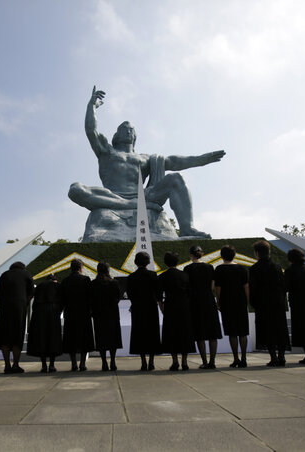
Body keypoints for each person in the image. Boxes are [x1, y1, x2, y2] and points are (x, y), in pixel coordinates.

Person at [68, 86, 226, 238]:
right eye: (124, 128)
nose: (129, 130)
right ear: (116, 136)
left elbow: (174, 162)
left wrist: (201, 160)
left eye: (131, 129)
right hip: (112, 195)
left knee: (176, 179)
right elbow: (91, 131)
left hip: (144, 196)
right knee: (75, 189)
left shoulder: (145, 158)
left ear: (135, 137)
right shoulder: (107, 152)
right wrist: (92, 106)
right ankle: (131, 205)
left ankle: (187, 228)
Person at [249, 240, 290, 367]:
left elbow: (253, 288)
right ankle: (281, 356)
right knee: (280, 329)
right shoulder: (277, 267)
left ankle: (273, 357)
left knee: (267, 330)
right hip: (277, 302)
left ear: (257, 253)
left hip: (263, 303)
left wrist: (254, 302)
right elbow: (283, 286)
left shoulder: (254, 269)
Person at [184, 245, 223, 369]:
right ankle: (212, 361)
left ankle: (204, 361)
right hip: (208, 300)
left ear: (191, 255)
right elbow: (213, 286)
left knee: (199, 333)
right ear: (202, 254)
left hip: (195, 302)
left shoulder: (187, 269)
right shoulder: (210, 267)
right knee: (212, 333)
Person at [0, 261, 35, 374]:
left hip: (4, 309)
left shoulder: (4, 275)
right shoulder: (27, 274)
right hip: (19, 309)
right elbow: (31, 292)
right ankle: (16, 364)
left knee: (5, 336)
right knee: (17, 335)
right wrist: (24, 302)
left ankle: (7, 365)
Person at [159, 252, 196, 371]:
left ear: (165, 262)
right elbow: (190, 292)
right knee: (185, 333)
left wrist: (162, 308)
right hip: (184, 306)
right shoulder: (184, 275)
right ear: (177, 262)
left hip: (170, 306)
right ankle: (184, 362)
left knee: (171, 334)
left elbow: (159, 296)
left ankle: (175, 361)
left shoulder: (162, 276)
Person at [214, 245, 250, 368]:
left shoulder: (219, 269)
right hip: (240, 302)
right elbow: (246, 286)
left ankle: (236, 358)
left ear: (222, 256)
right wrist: (247, 300)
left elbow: (218, 288)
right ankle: (244, 358)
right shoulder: (241, 269)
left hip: (227, 303)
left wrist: (218, 302)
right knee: (243, 332)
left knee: (232, 333)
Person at [126, 251, 163, 371]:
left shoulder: (131, 277)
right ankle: (151, 362)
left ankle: (143, 362)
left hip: (137, 308)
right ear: (148, 262)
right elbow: (158, 294)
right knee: (152, 333)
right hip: (151, 308)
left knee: (139, 334)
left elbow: (130, 294)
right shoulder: (153, 275)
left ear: (136, 262)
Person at [59, 259, 95, 371]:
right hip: (84, 313)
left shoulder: (65, 281)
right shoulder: (86, 279)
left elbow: (62, 299)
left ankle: (74, 363)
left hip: (70, 313)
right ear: (81, 268)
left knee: (71, 338)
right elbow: (90, 297)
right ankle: (83, 363)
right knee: (84, 338)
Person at [89, 262, 123, 371]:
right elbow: (118, 298)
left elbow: (91, 300)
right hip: (112, 314)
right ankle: (113, 361)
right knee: (113, 338)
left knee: (101, 338)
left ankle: (104, 362)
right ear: (108, 270)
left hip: (99, 315)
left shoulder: (93, 284)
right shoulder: (114, 283)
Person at [27, 274, 62, 372]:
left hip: (39, 312)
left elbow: (34, 301)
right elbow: (61, 301)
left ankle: (43, 365)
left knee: (41, 338)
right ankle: (52, 364)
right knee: (53, 338)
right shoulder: (57, 285)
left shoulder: (40, 286)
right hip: (53, 312)